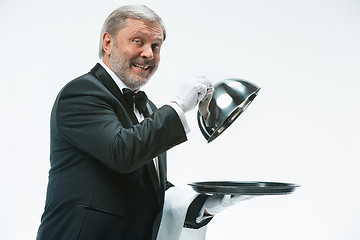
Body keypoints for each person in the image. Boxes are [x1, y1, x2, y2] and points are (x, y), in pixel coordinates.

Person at [37, 5, 247, 240]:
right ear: (108, 43)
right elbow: (122, 152)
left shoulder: (149, 110)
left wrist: (206, 206)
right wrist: (178, 106)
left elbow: (148, 192)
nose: (149, 54)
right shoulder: (81, 93)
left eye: (155, 46)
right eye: (138, 41)